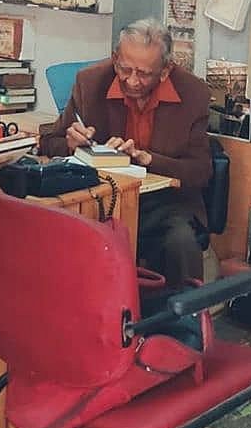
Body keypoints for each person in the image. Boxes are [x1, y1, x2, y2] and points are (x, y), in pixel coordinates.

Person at [40, 18, 212, 290]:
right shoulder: (90, 82)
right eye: (125, 69)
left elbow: (201, 172)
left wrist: (149, 159)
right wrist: (72, 144)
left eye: (144, 73)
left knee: (180, 242)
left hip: (164, 204)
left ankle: (181, 324)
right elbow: (49, 141)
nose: (132, 81)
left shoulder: (193, 93)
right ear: (115, 58)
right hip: (101, 199)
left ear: (165, 70)